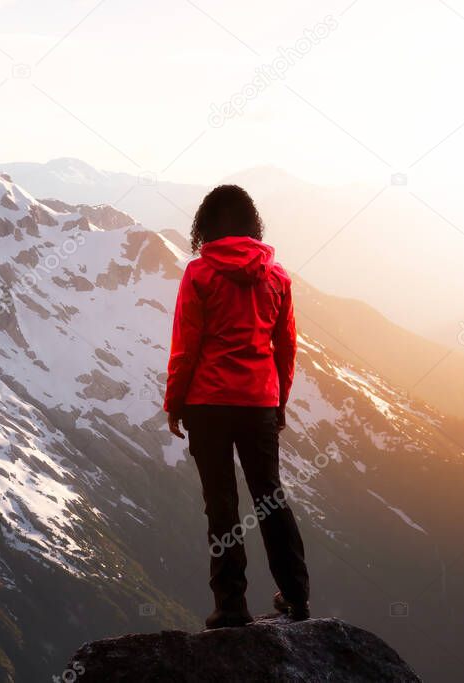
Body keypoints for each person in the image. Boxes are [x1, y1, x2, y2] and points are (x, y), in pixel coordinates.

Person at [164, 185, 310, 629]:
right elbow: (286, 347)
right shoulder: (277, 277)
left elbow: (186, 346)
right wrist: (278, 400)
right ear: (253, 225)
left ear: (204, 227)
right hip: (258, 402)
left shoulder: (199, 274)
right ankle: (298, 597)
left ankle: (231, 606)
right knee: (270, 495)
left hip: (207, 404)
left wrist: (175, 401)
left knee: (221, 504)